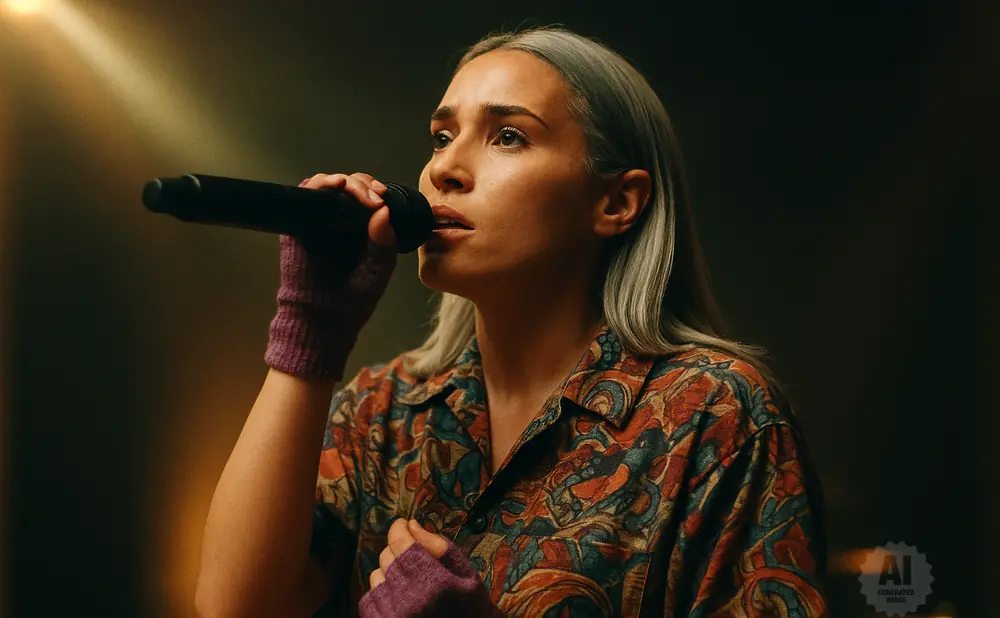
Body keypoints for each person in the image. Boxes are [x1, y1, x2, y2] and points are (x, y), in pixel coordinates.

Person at [194, 26, 828, 618]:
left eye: (508, 136)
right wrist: (312, 330)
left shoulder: (715, 415)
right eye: (442, 137)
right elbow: (237, 606)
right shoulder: (381, 412)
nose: (443, 169)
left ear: (616, 202)